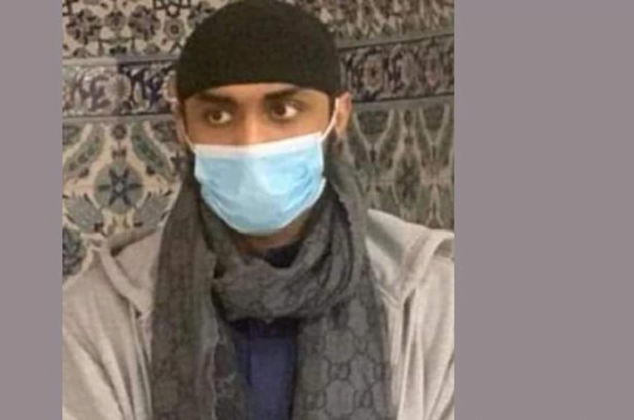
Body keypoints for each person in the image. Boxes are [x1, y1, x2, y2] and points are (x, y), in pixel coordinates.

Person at [62, 1, 454, 419]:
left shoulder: (432, 303)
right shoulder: (97, 318)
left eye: (282, 110)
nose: (250, 141)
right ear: (182, 126)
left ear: (338, 116)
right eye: (218, 115)